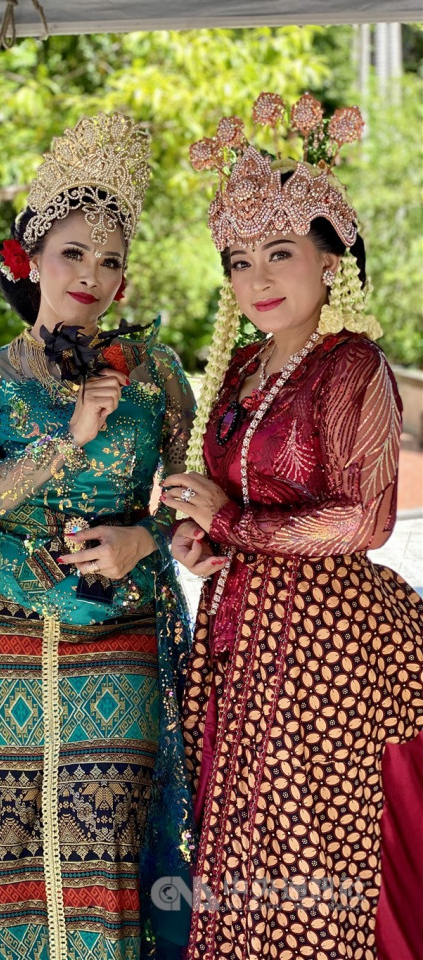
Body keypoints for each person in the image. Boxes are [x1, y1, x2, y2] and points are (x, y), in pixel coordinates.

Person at [163, 92, 423, 959]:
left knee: (315, 850)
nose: (258, 280)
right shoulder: (244, 364)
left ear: (330, 260)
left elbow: (367, 518)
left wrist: (233, 520)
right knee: (240, 846)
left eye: (280, 254)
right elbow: (230, 500)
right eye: (240, 261)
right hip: (240, 632)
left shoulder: (353, 366)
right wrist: (203, 538)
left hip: (329, 647)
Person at [0, 113, 197, 960]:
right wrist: (66, 442)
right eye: (73, 253)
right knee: (14, 842)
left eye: (110, 260)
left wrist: (141, 541)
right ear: (31, 258)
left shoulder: (158, 377)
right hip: (7, 635)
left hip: (120, 635)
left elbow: (193, 504)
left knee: (109, 843)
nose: (91, 274)